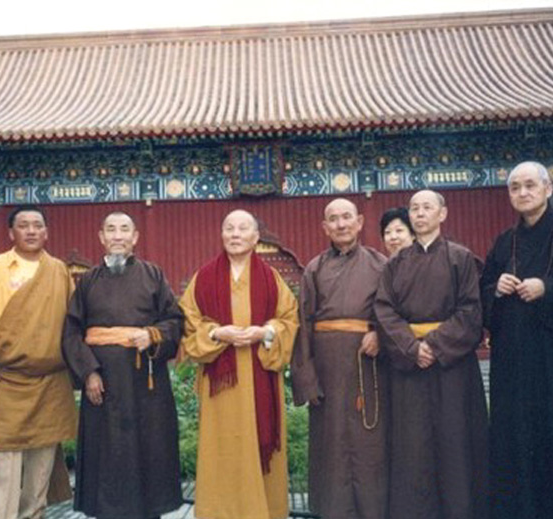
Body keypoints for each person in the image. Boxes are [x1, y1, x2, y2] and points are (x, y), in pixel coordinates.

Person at [374, 190, 489, 519]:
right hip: (409, 365)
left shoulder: (460, 257)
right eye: (414, 208)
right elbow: (384, 311)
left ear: (443, 214)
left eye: (427, 207)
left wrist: (435, 346)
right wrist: (412, 348)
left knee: (454, 443)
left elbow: (470, 310)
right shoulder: (395, 264)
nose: (419, 213)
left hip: (451, 367)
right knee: (413, 448)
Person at [61, 211, 183, 519]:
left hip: (146, 384)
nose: (118, 236)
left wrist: (153, 334)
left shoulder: (153, 275)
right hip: (103, 384)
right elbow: (72, 332)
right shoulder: (88, 281)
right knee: (108, 455)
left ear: (135, 237)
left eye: (124, 230)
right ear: (101, 237)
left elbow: (175, 320)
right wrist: (88, 372)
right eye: (111, 230)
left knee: (148, 450)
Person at [179, 209, 299, 519]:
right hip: (221, 382)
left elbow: (289, 320)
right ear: (221, 235)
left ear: (256, 237)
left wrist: (266, 331)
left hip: (259, 372)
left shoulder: (271, 279)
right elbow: (189, 325)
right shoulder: (203, 277)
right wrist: (217, 332)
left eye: (243, 228)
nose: (235, 234)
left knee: (261, 447)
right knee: (222, 450)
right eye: (229, 228)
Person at [0, 204, 76, 519]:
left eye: (37, 225)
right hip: (6, 380)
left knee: (41, 464)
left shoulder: (59, 271)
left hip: (51, 380)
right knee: (4, 462)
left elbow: (72, 324)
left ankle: (34, 514)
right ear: (10, 232)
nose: (31, 231)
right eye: (23, 225)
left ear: (46, 232)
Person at [291, 198, 388, 519]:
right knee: (329, 444)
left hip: (367, 365)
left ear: (360, 222)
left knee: (368, 443)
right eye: (333, 219)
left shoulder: (380, 264)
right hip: (327, 370)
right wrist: (306, 378)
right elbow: (302, 323)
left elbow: (391, 312)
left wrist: (380, 333)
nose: (341, 224)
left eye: (347, 217)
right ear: (325, 227)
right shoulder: (314, 269)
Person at [480, 161, 553, 519]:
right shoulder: (503, 241)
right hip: (513, 360)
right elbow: (481, 293)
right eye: (515, 187)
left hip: (551, 355)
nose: (523, 193)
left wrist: (549, 288)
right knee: (514, 437)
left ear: (548, 189)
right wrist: (496, 288)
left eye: (530, 185)